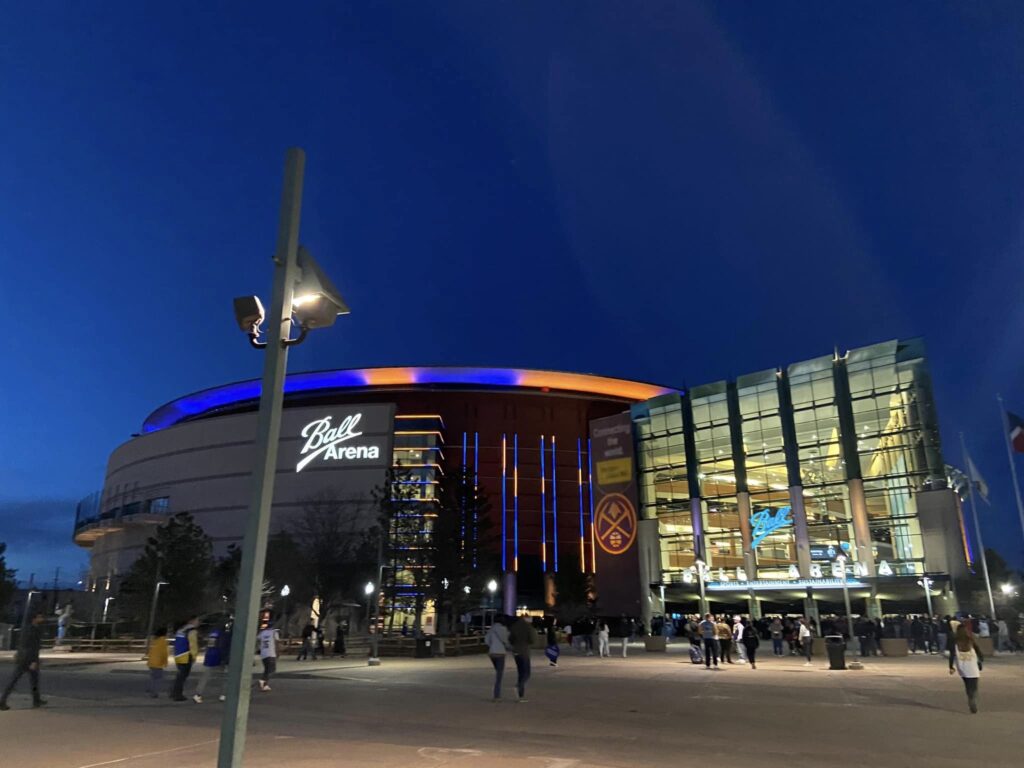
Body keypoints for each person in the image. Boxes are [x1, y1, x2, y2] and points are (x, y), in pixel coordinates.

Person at [0, 611, 46, 711]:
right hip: (28, 659)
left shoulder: (25, 629)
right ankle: (2, 701)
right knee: (21, 680)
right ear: (34, 619)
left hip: (22, 657)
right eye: (40, 617)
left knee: (30, 680)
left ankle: (36, 699)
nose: (42, 619)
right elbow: (32, 646)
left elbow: (21, 643)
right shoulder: (33, 630)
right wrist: (33, 661)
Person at [949, 623, 984, 713]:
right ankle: (972, 698)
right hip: (972, 665)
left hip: (962, 666)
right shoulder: (970, 640)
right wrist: (981, 659)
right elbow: (978, 650)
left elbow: (952, 655)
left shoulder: (955, 642)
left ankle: (970, 696)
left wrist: (951, 666)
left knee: (967, 684)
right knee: (974, 685)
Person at [194, 626, 229, 703]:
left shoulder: (213, 632)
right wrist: (224, 658)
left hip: (210, 655)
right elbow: (222, 646)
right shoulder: (223, 634)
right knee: (226, 677)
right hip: (218, 657)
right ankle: (223, 694)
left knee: (205, 676)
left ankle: (198, 694)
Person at [171, 615, 199, 702]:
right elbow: (193, 644)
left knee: (179, 676)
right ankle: (178, 695)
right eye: (197, 620)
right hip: (186, 655)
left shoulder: (181, 630)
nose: (198, 622)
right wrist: (194, 656)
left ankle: (174, 693)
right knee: (182, 676)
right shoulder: (192, 631)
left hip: (178, 655)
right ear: (192, 621)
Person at [484, 617, 512, 701]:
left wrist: (492, 646)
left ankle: (497, 694)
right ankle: (497, 695)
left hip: (492, 653)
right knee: (499, 675)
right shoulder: (503, 629)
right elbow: (506, 641)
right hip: (500, 653)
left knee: (498, 672)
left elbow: (486, 640)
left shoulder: (491, 630)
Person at [508, 614, 534, 701]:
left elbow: (510, 639)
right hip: (524, 652)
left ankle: (520, 695)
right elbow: (532, 640)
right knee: (526, 673)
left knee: (520, 673)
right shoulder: (528, 627)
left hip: (516, 652)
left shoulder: (514, 626)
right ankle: (519, 686)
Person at [145, 626, 168, 698]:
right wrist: (165, 662)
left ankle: (151, 689)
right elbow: (164, 653)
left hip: (151, 661)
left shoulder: (155, 640)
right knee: (158, 678)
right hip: (158, 662)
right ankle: (154, 693)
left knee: (153, 677)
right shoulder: (163, 641)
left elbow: (151, 651)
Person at [258, 621, 280, 692]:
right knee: (272, 670)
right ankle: (263, 681)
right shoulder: (274, 633)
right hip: (271, 653)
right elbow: (276, 643)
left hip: (263, 653)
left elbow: (258, 639)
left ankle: (265, 685)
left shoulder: (263, 633)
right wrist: (278, 652)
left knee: (267, 669)